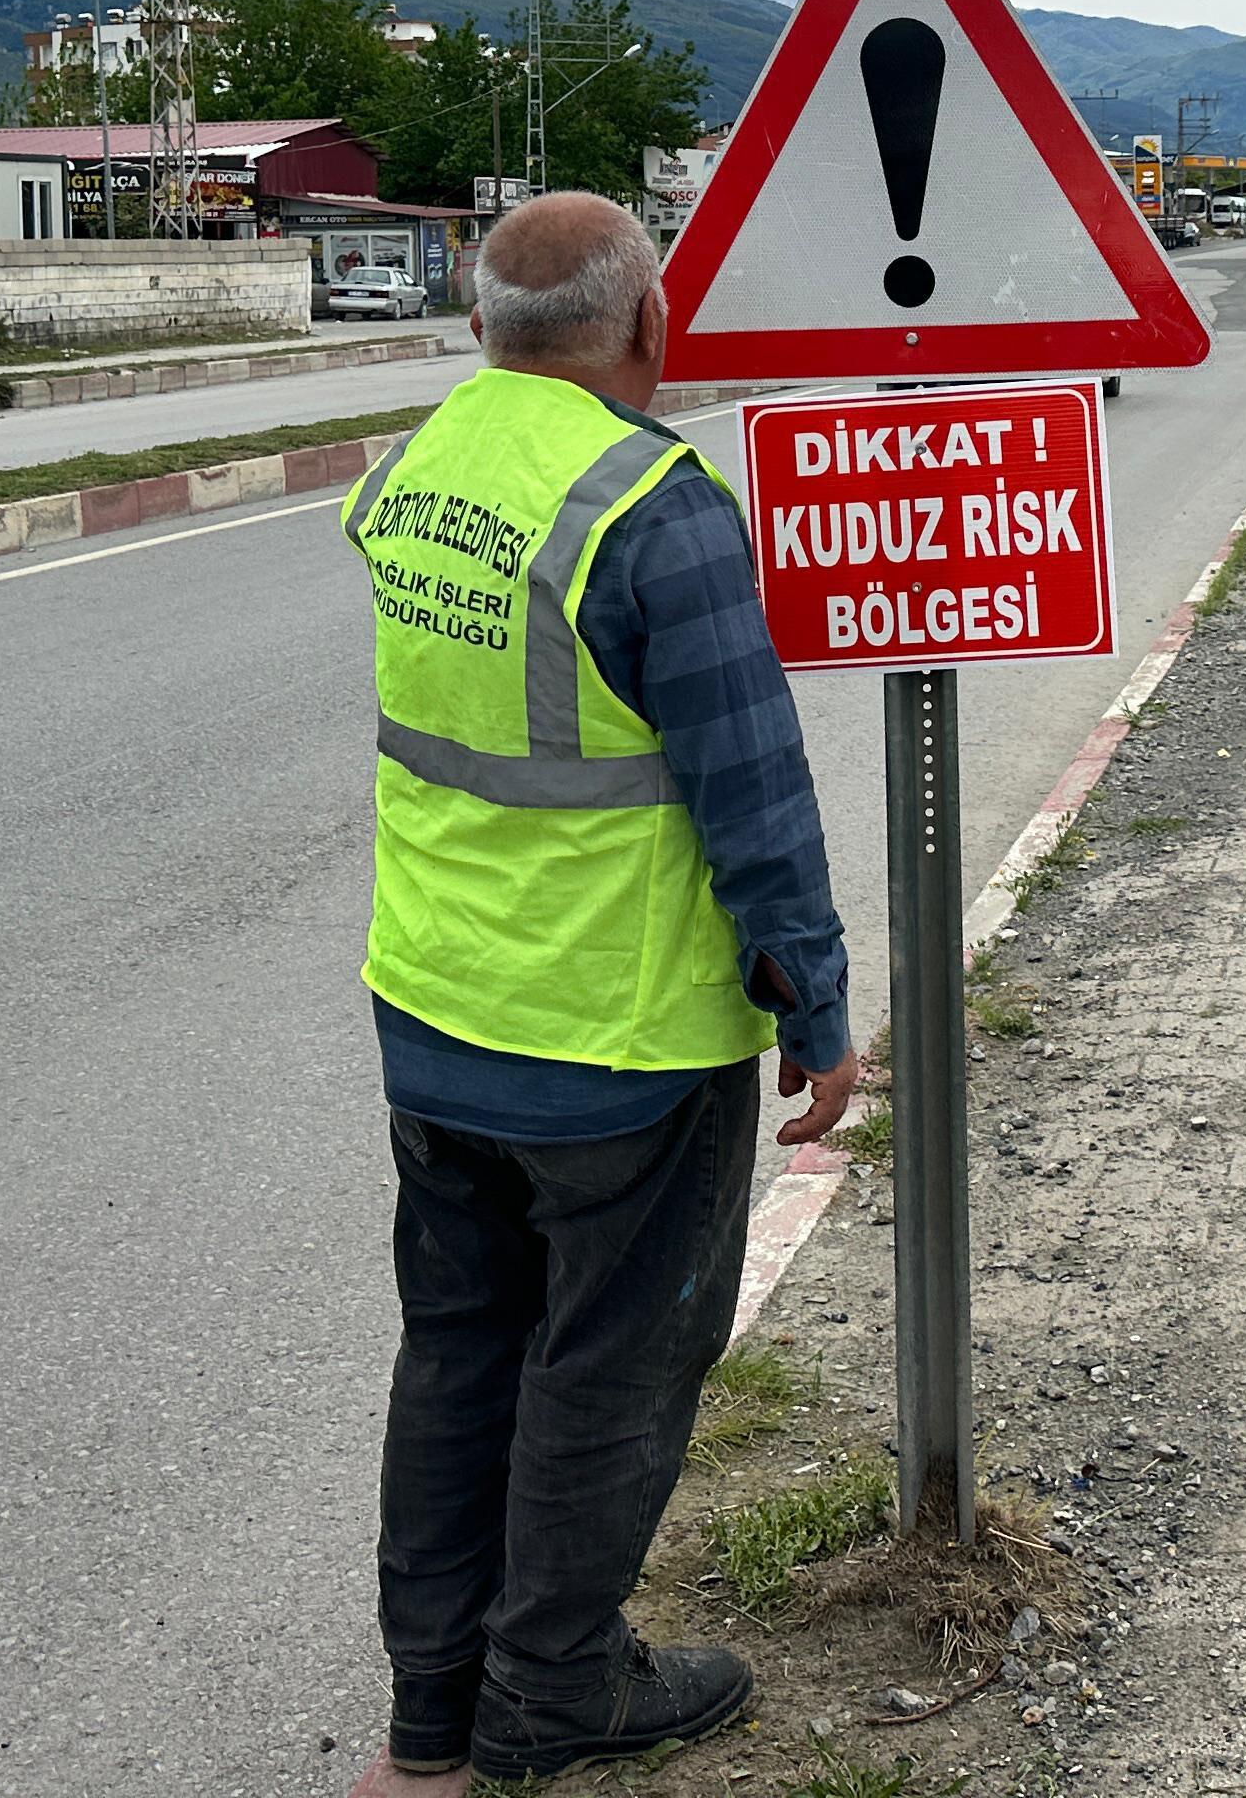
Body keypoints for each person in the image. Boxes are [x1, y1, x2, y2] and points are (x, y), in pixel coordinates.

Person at [343, 192, 858, 1793]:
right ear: (650, 322)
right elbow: (750, 788)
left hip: (434, 1011)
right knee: (609, 1372)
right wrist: (817, 1008)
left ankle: (434, 1714)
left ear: (478, 325)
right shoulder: (653, 503)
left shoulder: (418, 466)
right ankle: (555, 1693)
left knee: (460, 1353)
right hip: (618, 1040)